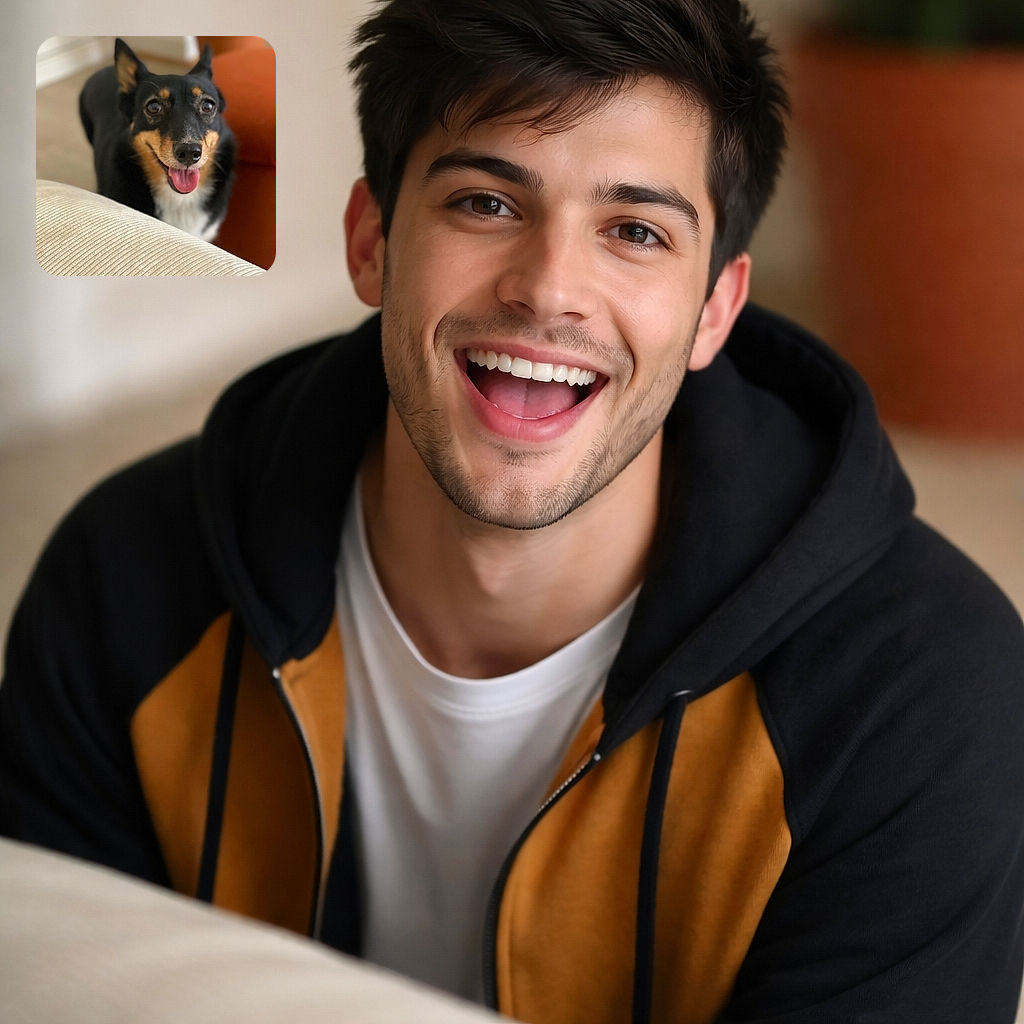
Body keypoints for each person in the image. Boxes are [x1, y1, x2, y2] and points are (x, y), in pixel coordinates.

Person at [3, 1, 1023, 1021]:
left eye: (634, 230)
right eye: (487, 202)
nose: (548, 290)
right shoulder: (125, 580)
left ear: (716, 309)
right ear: (371, 242)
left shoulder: (920, 695)